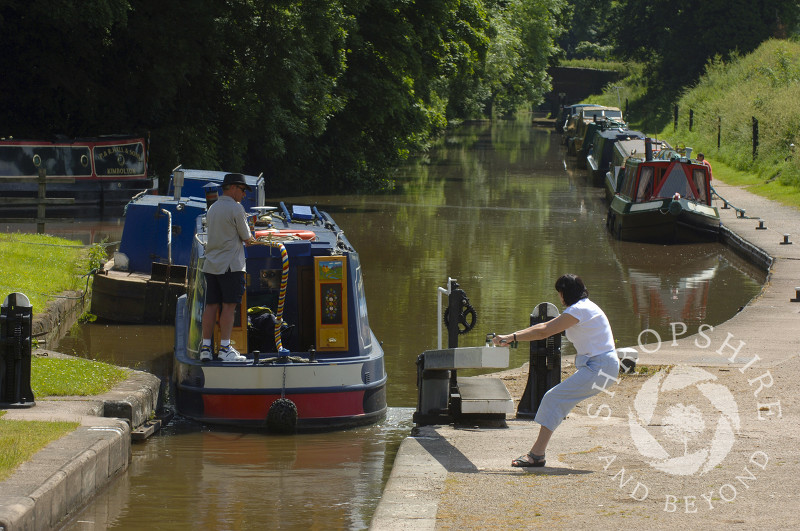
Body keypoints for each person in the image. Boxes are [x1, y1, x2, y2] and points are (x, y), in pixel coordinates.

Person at [493, 274, 619, 467]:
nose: (559, 298)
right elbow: (547, 328)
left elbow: (544, 330)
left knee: (553, 398)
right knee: (558, 401)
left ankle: (536, 455)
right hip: (601, 365)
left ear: (563, 294)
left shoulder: (579, 310)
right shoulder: (586, 307)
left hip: (600, 367)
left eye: (559, 293)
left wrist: (512, 337)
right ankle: (537, 453)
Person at [199, 173, 254, 362]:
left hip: (212, 264)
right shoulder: (236, 209)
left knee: (211, 305)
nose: (244, 195)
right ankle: (224, 349)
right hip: (231, 265)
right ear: (232, 188)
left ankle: (205, 347)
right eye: (242, 190)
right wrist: (258, 239)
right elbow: (247, 238)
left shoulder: (212, 208)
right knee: (229, 307)